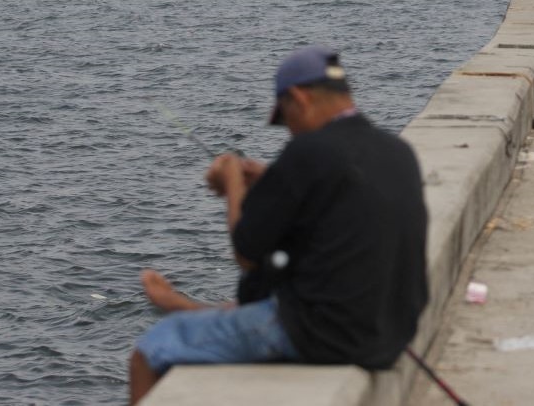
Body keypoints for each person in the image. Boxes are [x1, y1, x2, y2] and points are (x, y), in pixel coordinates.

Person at [129, 45, 429, 404]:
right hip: (390, 335)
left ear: (299, 99)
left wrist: (232, 181)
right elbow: (341, 194)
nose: (289, 131)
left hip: (325, 336)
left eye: (285, 119)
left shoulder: (308, 151)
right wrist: (273, 179)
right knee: (266, 303)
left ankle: (177, 311)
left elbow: (246, 253)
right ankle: (180, 304)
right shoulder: (396, 150)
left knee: (150, 349)